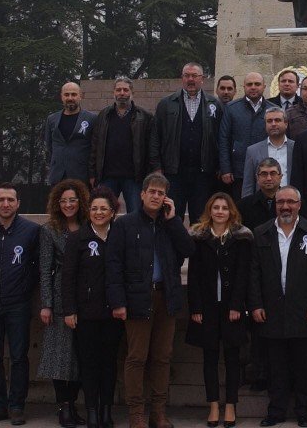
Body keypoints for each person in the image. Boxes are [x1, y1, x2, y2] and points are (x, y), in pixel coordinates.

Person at [106, 173, 195, 428]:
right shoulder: (125, 224)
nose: (156, 196)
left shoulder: (170, 223)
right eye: (152, 192)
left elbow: (189, 250)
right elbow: (113, 266)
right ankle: (136, 414)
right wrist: (118, 302)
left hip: (166, 297)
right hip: (136, 300)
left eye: (161, 193)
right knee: (136, 357)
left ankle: (158, 412)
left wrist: (174, 220)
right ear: (142, 194)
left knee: (162, 357)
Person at [249, 186, 307, 428]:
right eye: (281, 202)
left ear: (300, 204)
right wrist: (255, 304)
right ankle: (276, 412)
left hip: (303, 310)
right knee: (276, 367)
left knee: (304, 367)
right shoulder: (261, 233)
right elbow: (253, 273)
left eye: (291, 202)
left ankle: (304, 413)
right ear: (275, 205)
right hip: (271, 311)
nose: (285, 206)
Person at [187, 193, 253, 428]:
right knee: (210, 357)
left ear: (231, 211)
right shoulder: (199, 237)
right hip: (206, 307)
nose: (220, 211)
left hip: (231, 307)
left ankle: (231, 405)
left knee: (233, 357)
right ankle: (213, 404)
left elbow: (243, 275)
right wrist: (195, 307)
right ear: (209, 210)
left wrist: (237, 305)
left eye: (224, 208)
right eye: (215, 207)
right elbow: (193, 275)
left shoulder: (241, 237)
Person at [0, 184, 40, 426]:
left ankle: (16, 406)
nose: (6, 204)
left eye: (10, 200)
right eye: (1, 200)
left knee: (18, 357)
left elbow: (37, 265)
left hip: (18, 304)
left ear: (18, 203)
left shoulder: (31, 231)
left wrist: (24, 287)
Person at [62, 186, 123, 428]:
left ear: (112, 212)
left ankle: (107, 410)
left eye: (103, 209)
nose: (98, 213)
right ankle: (92, 412)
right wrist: (69, 310)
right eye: (94, 208)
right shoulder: (78, 238)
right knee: (88, 364)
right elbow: (68, 277)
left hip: (114, 312)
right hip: (85, 314)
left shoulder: (120, 235)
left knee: (109, 363)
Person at [149, 62, 224, 223]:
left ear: (202, 79)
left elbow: (220, 138)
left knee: (201, 218)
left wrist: (219, 165)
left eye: (194, 76)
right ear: (182, 78)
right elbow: (155, 137)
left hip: (203, 173)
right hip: (174, 173)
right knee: (171, 216)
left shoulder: (214, 104)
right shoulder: (166, 104)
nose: (191, 79)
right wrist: (156, 167)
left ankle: (198, 249)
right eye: (187, 76)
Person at [39, 180, 88, 427]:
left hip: (87, 298)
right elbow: (45, 268)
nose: (68, 205)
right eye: (64, 200)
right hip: (59, 298)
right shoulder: (50, 230)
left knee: (81, 357)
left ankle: (74, 403)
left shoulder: (90, 226)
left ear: (81, 201)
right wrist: (46, 304)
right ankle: (64, 407)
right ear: (57, 204)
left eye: (73, 200)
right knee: (60, 357)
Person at [236, 158, 285, 391]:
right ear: (256, 178)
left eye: (273, 173)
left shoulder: (288, 204)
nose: (268, 178)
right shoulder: (244, 206)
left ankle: (282, 376)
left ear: (281, 176)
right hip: (254, 273)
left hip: (283, 272)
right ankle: (259, 374)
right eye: (263, 174)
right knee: (257, 327)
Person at [89, 77, 153, 214]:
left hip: (134, 177)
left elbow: (150, 148)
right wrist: (93, 172)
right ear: (114, 93)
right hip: (107, 176)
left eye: (125, 90)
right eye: (118, 90)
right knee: (104, 213)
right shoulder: (104, 116)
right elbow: (95, 146)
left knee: (135, 214)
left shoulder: (145, 117)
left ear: (132, 92)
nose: (122, 93)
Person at [219, 72, 274, 198]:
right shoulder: (231, 108)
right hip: (239, 170)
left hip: (266, 170)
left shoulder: (273, 109)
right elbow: (224, 139)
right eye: (249, 84)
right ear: (244, 87)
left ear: (264, 87)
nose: (253, 87)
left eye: (257, 84)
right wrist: (226, 168)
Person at [45, 81, 97, 185]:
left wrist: (93, 174)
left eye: (74, 94)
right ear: (61, 97)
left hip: (81, 176)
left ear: (80, 96)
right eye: (66, 94)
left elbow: (95, 148)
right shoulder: (51, 119)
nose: (70, 98)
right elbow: (49, 146)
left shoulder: (92, 119)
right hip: (57, 176)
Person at [242, 107, 295, 197]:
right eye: (269, 121)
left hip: (290, 203)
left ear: (286, 124)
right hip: (262, 205)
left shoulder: (295, 148)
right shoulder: (253, 151)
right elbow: (248, 185)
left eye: (277, 120)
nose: (273, 124)